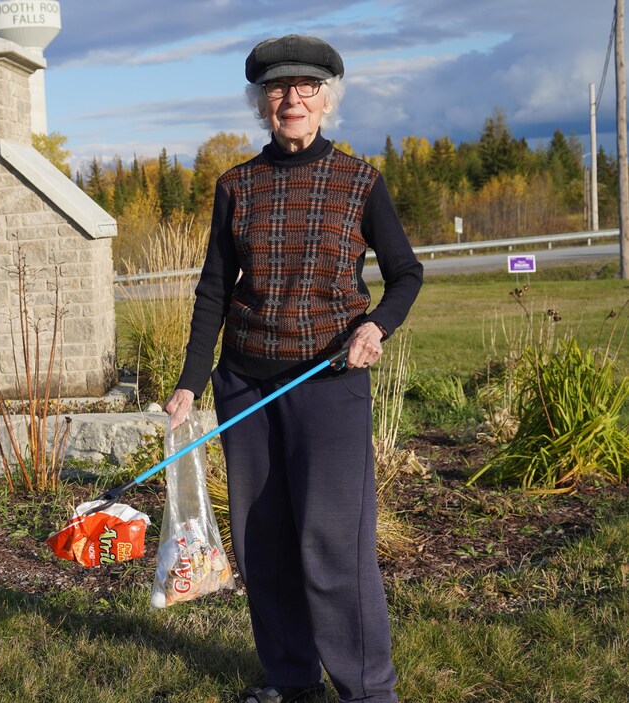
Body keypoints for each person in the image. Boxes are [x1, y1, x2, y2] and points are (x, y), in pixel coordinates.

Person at [163, 35, 424, 703]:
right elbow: (215, 289)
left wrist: (376, 325)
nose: (292, 99)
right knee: (263, 542)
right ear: (261, 104)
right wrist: (192, 381)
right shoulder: (236, 185)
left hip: (328, 385)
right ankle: (291, 678)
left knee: (332, 543)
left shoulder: (361, 181)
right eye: (278, 89)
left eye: (306, 86)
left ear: (327, 98)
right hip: (247, 383)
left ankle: (368, 689)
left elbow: (405, 274)